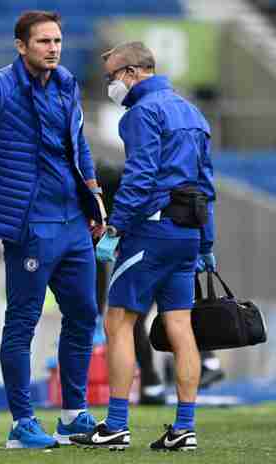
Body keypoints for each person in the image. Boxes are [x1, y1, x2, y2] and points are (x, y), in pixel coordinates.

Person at [0, 10, 106, 449]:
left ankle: (72, 415)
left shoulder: (66, 84)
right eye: (43, 41)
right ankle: (22, 423)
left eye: (57, 41)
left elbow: (79, 144)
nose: (53, 48)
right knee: (23, 321)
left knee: (84, 314)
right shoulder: (0, 86)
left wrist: (94, 196)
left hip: (73, 221)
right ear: (21, 46)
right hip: (29, 225)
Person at [71, 41, 216, 451]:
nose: (111, 85)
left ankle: (116, 424)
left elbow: (140, 176)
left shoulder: (141, 113)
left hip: (151, 231)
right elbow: (206, 184)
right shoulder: (193, 112)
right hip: (188, 232)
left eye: (112, 77)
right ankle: (184, 428)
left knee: (118, 322)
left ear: (132, 73)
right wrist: (206, 242)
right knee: (180, 327)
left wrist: (115, 228)